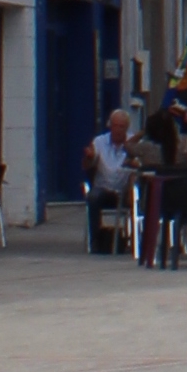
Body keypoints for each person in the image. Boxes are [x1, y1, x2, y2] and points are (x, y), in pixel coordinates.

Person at [83, 108, 136, 259]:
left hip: (124, 191)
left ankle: (135, 240)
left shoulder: (133, 143)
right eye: (115, 126)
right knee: (93, 197)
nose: (118, 130)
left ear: (126, 128)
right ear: (110, 126)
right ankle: (95, 241)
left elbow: (139, 166)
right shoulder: (99, 142)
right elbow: (87, 165)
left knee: (139, 197)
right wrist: (90, 157)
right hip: (103, 189)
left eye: (122, 127)